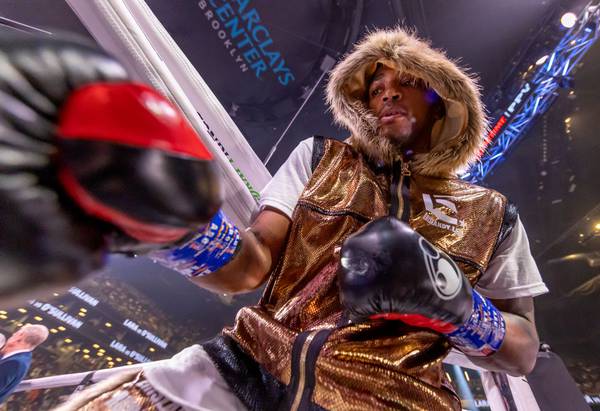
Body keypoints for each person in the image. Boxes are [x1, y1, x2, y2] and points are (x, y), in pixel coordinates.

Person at [57, 27, 548, 411]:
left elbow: (523, 351)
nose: (387, 94)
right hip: (251, 365)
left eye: (407, 83)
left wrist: (454, 303)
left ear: (443, 98)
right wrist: (177, 228)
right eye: (376, 88)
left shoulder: (492, 213)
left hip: (401, 399)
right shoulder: (320, 157)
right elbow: (251, 266)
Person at [0, 324, 49, 404]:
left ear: (20, 336)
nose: (12, 335)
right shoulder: (22, 357)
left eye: (15, 333)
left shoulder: (15, 363)